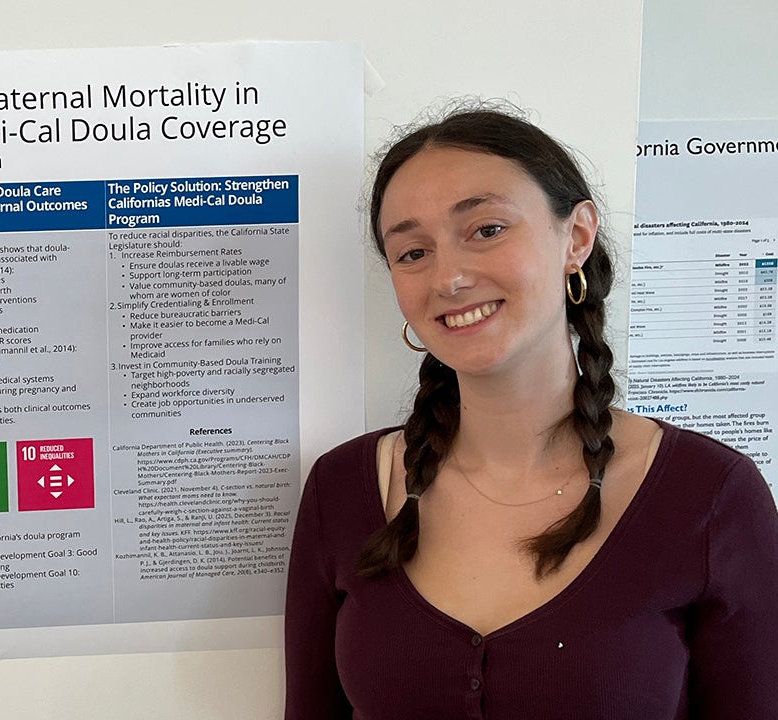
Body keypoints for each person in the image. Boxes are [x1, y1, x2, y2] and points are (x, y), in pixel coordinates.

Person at [284, 107, 778, 719]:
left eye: (487, 229)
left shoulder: (711, 494)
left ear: (575, 237)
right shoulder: (341, 488)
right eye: (412, 252)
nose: (450, 277)